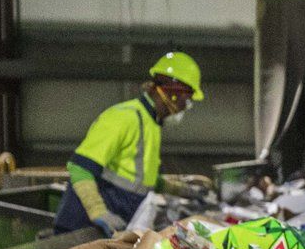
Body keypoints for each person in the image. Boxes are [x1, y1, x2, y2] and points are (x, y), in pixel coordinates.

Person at [55, 51, 203, 235]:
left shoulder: (152, 124)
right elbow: (80, 168)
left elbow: (143, 180)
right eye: (187, 100)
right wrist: (98, 211)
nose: (185, 107)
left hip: (113, 226)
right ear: (174, 93)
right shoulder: (124, 117)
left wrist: (184, 189)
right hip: (82, 227)